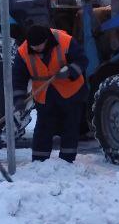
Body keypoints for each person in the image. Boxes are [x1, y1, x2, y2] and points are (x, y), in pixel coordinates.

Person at [13, 23, 89, 163]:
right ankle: (39, 161)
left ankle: (67, 161)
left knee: (70, 127)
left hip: (70, 92)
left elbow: (82, 60)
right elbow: (18, 77)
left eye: (39, 46)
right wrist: (19, 97)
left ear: (47, 40)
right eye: (33, 47)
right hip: (44, 95)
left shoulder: (65, 41)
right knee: (43, 128)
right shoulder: (23, 52)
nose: (36, 49)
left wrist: (70, 71)